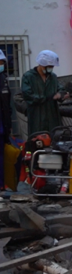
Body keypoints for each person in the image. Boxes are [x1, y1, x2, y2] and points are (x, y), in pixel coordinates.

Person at [21, 50, 67, 135]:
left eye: (52, 66)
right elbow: (27, 94)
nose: (51, 68)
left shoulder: (52, 77)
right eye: (49, 66)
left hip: (52, 117)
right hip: (36, 117)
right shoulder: (28, 77)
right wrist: (45, 98)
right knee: (38, 140)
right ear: (42, 65)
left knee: (54, 139)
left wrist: (61, 95)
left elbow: (60, 89)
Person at [0, 50, 10, 189]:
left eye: (2, 63)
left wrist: (8, 126)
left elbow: (7, 105)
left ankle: (1, 184)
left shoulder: (3, 79)